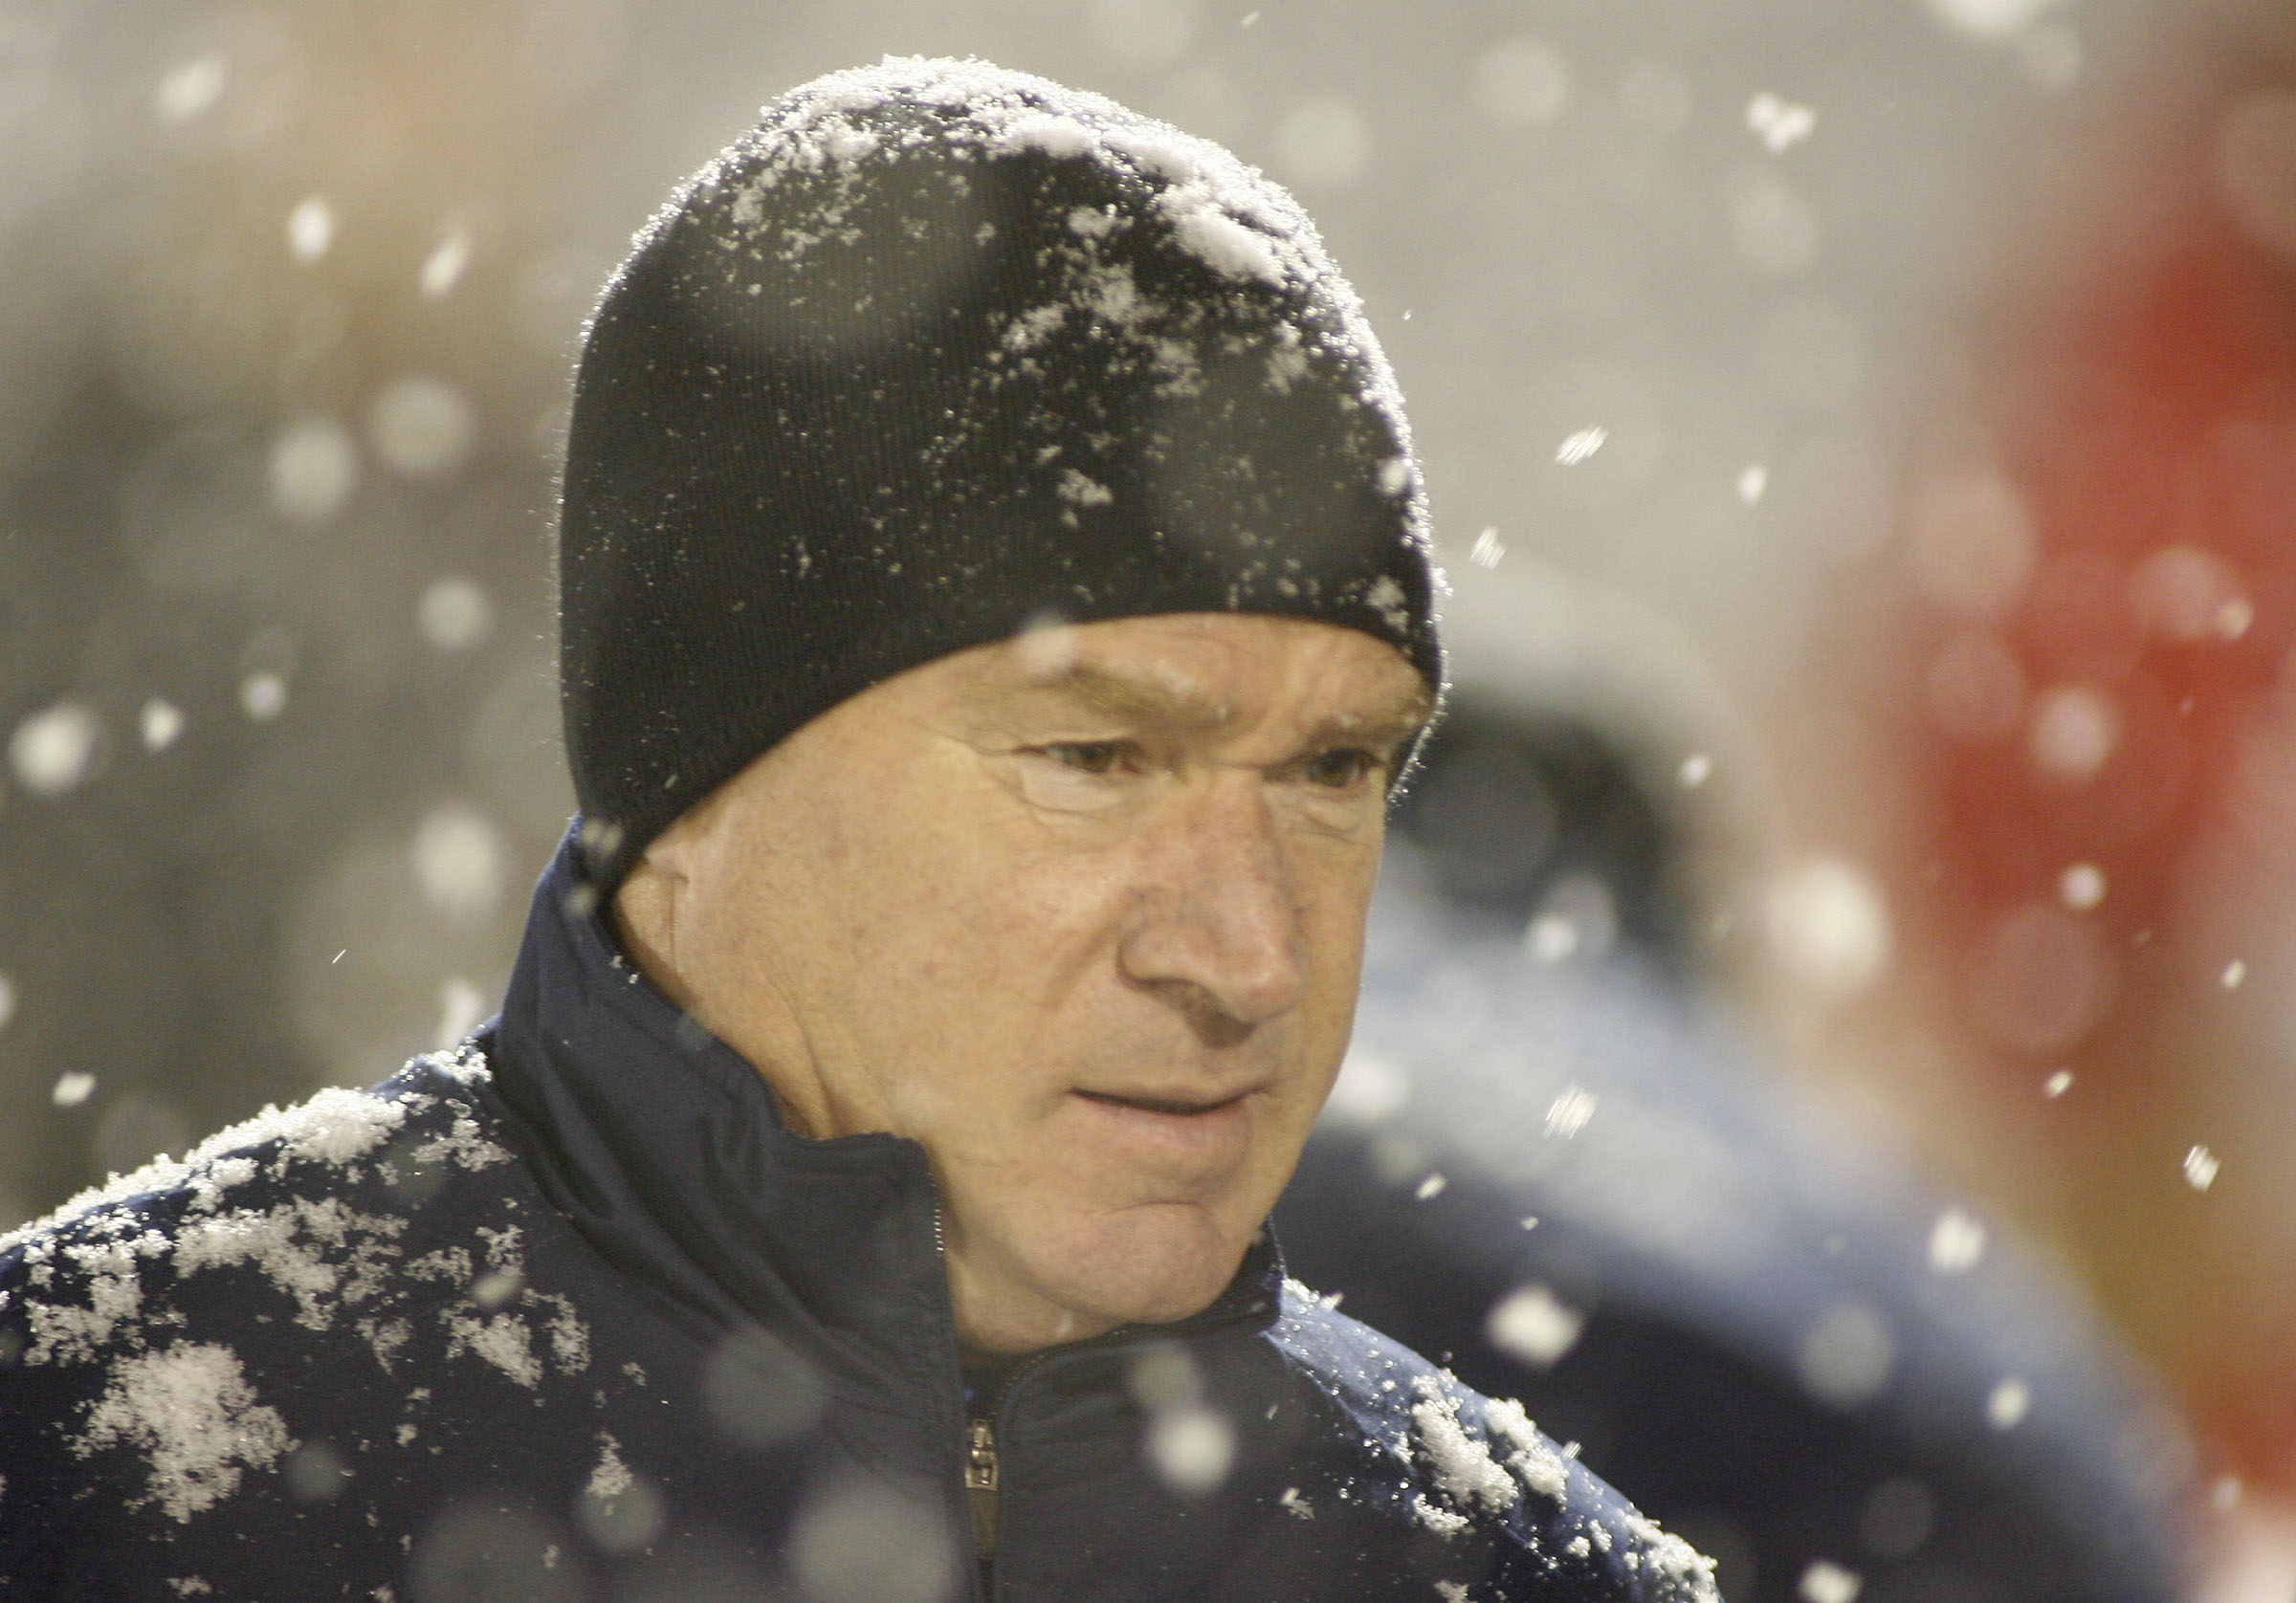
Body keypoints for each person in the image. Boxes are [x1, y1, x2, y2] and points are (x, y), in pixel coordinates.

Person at [0, 58, 1715, 1603]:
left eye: (1335, 774)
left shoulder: (1533, 1578)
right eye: (1098, 758)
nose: (1251, 953)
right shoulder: (91, 1471)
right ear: (696, 788)